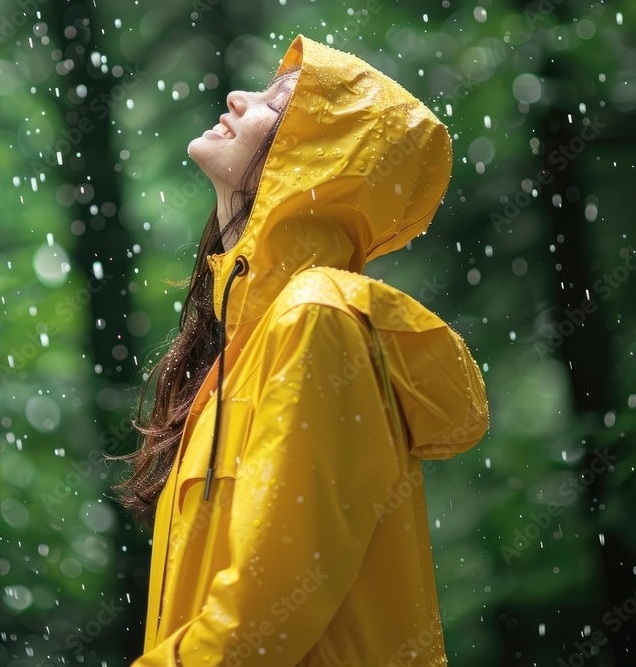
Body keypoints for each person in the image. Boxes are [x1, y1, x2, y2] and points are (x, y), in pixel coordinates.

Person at [114, 34, 489, 667]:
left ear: (311, 158)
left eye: (276, 103)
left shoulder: (316, 320)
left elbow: (268, 602)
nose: (236, 97)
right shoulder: (238, 356)